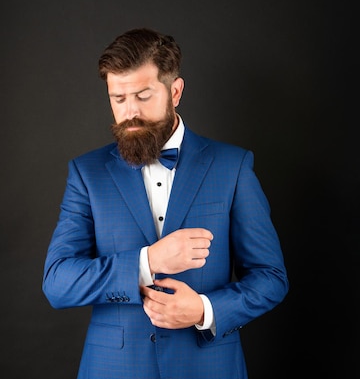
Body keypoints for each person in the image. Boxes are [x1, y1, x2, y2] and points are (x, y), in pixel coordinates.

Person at [42, 28, 289, 379]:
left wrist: (205, 310)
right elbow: (57, 282)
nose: (130, 113)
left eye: (143, 96)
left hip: (208, 368)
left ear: (175, 91)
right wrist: (148, 261)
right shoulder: (86, 173)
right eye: (118, 98)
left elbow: (271, 277)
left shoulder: (232, 166)